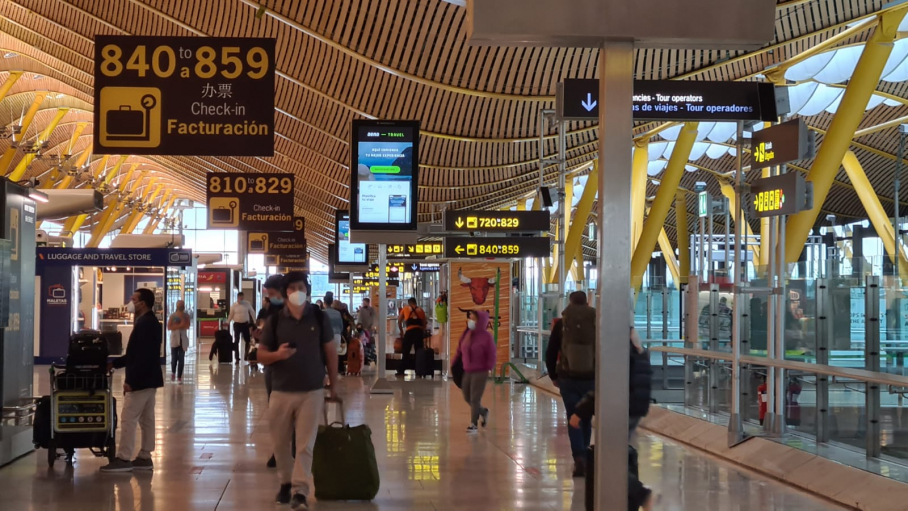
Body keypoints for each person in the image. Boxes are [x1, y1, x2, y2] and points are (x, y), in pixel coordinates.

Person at [258, 272, 339, 510]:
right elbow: (261, 355)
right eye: (292, 288)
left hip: (311, 391)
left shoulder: (318, 317)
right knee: (280, 444)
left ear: (307, 289)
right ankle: (285, 481)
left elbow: (331, 352)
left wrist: (333, 386)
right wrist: (277, 355)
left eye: (300, 286)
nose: (297, 291)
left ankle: (300, 490)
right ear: (285, 293)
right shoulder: (275, 321)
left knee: (305, 444)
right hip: (281, 391)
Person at [570, 327, 653, 511]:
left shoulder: (620, 356)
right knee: (617, 454)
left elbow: (604, 386)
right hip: (636, 409)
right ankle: (630, 496)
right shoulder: (640, 353)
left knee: (609, 459)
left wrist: (580, 411)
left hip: (622, 409)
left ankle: (641, 493)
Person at [101, 288, 163, 472]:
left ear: (142, 303)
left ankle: (124, 458)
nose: (130, 301)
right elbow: (137, 355)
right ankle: (145, 455)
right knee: (147, 419)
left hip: (141, 380)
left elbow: (139, 356)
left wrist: (132, 381)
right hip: (151, 378)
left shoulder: (144, 324)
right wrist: (115, 364)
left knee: (129, 418)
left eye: (133, 299)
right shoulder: (149, 322)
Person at [545, 290, 596, 477]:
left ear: (570, 302)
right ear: (587, 303)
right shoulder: (596, 321)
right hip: (591, 378)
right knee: (586, 416)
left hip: (567, 378)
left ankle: (579, 457)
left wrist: (553, 375)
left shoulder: (562, 323)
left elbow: (550, 352)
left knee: (573, 416)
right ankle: (585, 450)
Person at [256, 275, 286, 469]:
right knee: (276, 413)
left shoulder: (297, 311)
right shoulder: (270, 310)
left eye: (272, 293)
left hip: (293, 368)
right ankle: (279, 450)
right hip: (272, 367)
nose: (269, 297)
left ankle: (289, 450)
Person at [453, 310, 495, 432]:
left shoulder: (486, 337)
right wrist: (455, 362)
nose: (470, 320)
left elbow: (492, 354)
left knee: (475, 398)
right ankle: (483, 411)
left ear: (480, 321)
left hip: (480, 371)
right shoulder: (467, 334)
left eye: (473, 318)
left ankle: (473, 424)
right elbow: (460, 349)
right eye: (470, 318)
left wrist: (489, 367)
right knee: (466, 396)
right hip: (467, 370)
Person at [396, 297, 427, 376]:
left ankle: (401, 370)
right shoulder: (421, 310)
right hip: (419, 332)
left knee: (406, 351)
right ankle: (419, 370)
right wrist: (422, 331)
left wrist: (401, 331)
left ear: (409, 303)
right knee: (418, 352)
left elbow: (399, 321)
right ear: (415, 303)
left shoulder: (405, 308)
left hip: (410, 332)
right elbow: (424, 323)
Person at [229, 292, 256, 364]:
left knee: (247, 340)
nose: (242, 299)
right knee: (236, 340)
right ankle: (237, 358)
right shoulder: (234, 306)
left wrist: (255, 321)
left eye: (243, 298)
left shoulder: (247, 304)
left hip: (245, 324)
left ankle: (246, 355)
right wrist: (228, 322)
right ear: (238, 298)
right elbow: (231, 314)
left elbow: (252, 312)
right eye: (240, 298)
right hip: (237, 324)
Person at [167, 300, 190, 383]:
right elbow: (169, 327)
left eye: (182, 305)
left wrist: (176, 326)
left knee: (181, 359)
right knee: (174, 358)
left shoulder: (186, 316)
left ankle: (179, 376)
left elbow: (187, 325)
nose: (181, 306)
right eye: (179, 305)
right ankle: (173, 372)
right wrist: (181, 325)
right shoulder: (173, 316)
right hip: (174, 339)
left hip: (182, 340)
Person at [323, 294, 346, 374]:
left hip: (326, 336)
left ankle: (326, 370)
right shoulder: (337, 313)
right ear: (331, 302)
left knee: (325, 353)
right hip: (337, 335)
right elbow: (341, 326)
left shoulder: (323, 313)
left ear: (324, 302)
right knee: (336, 353)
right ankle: (338, 369)